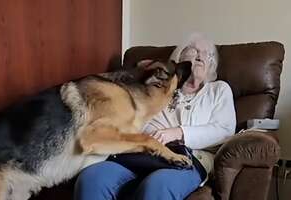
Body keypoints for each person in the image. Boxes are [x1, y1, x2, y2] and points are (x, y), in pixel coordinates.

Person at [74, 33, 236, 200]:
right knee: (92, 178)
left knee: (157, 185)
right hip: (142, 152)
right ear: (179, 58)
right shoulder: (156, 86)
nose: (201, 55)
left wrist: (178, 133)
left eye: (207, 54)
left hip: (190, 159)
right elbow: (135, 120)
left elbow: (224, 130)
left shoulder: (218, 90)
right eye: (194, 50)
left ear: (212, 66)